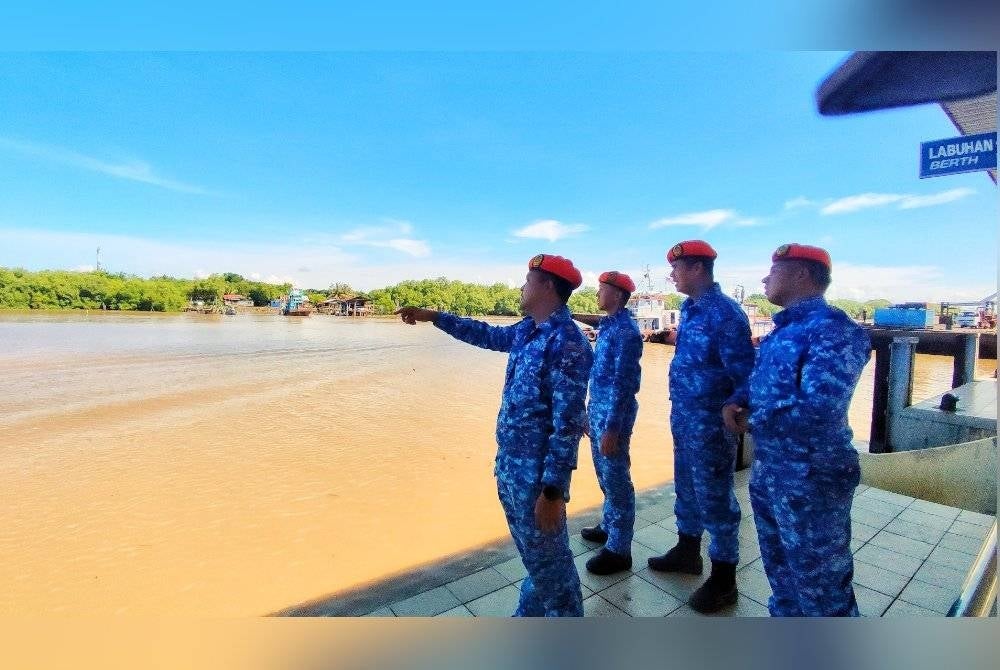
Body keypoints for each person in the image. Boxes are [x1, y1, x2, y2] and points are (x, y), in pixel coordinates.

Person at [396, 253, 593, 617]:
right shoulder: (527, 330)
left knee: (554, 568)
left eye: (527, 280)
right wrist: (434, 316)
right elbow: (484, 334)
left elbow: (568, 425)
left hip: (537, 479)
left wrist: (553, 491)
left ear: (547, 285)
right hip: (512, 469)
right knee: (536, 559)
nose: (521, 287)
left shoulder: (568, 344)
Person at [722, 243, 871, 617]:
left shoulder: (833, 330)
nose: (764, 278)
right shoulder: (782, 332)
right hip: (772, 471)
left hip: (811, 477)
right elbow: (762, 383)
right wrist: (737, 399)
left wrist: (751, 422)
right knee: (783, 579)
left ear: (801, 274)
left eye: (773, 271)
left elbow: (820, 407)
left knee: (821, 587)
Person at [647, 240, 755, 614]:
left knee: (716, 497)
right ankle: (687, 550)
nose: (672, 275)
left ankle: (725, 579)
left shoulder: (725, 314)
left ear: (696, 269)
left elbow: (744, 372)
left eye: (677, 268)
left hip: (711, 423)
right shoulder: (690, 310)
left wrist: (735, 402)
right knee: (687, 487)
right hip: (685, 416)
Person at [576, 271, 643, 575]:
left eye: (602, 290)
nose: (597, 295)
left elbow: (624, 384)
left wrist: (613, 428)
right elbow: (593, 319)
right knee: (605, 478)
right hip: (599, 414)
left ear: (617, 295)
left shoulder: (626, 333)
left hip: (613, 420)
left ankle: (619, 549)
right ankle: (608, 525)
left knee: (617, 482)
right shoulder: (610, 325)